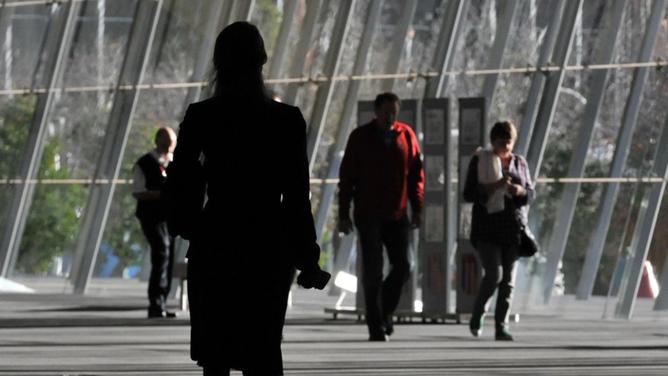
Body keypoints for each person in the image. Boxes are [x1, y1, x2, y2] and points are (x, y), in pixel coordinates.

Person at [165, 22, 328, 376]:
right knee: (264, 350)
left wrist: (189, 224)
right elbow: (298, 196)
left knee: (217, 354)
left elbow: (181, 183)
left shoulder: (202, 116)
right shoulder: (287, 121)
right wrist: (307, 257)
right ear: (261, 61)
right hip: (268, 246)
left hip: (216, 241)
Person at [337, 92, 424, 342]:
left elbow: (416, 175)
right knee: (373, 270)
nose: (390, 117)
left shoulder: (406, 136)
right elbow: (347, 179)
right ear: (376, 112)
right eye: (386, 112)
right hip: (369, 214)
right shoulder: (361, 138)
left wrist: (417, 208)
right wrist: (344, 213)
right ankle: (375, 325)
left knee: (403, 267)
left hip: (398, 214)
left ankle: (385, 311)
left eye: (394, 112)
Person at [462, 121, 535, 341]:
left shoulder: (519, 163)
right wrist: (494, 186)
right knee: (494, 274)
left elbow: (531, 193)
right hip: (487, 226)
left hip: (512, 227)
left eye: (509, 142)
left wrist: (518, 190)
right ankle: (479, 312)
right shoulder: (481, 160)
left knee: (508, 281)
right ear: (492, 141)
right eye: (500, 142)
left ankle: (501, 326)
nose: (505, 146)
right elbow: (469, 193)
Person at [132, 126, 178, 319]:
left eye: (172, 146)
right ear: (158, 141)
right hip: (151, 216)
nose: (169, 150)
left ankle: (162, 301)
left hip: (168, 217)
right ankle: (155, 302)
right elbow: (138, 190)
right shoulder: (144, 163)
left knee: (168, 257)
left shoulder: (172, 163)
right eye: (166, 145)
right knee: (161, 252)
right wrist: (161, 194)